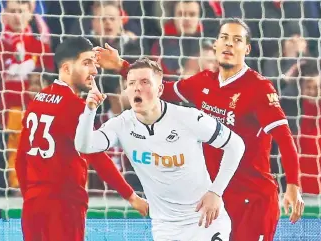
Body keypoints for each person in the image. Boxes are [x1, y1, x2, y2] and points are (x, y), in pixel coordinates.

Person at [93, 18, 305, 241]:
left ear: (247, 48)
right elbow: (160, 91)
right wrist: (122, 67)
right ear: (215, 45)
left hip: (252, 199)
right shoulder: (203, 81)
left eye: (237, 40)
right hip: (213, 198)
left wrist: (293, 184)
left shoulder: (259, 88)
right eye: (224, 38)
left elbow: (284, 137)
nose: (229, 44)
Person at [75, 57, 245, 241]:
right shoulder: (122, 125)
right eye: (131, 83)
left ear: (160, 89)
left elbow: (236, 145)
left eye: (145, 82)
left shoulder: (188, 118)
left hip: (204, 221)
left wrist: (216, 191)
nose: (137, 88)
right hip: (165, 228)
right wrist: (90, 110)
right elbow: (85, 145)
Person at [15, 37, 148, 241]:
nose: (94, 71)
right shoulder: (75, 106)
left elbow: (21, 158)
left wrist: (31, 197)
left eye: (94, 64)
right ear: (67, 68)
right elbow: (97, 157)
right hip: (65, 205)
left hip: (33, 205)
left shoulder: (38, 99)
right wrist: (131, 196)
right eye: (86, 63)